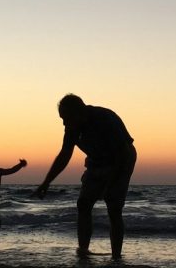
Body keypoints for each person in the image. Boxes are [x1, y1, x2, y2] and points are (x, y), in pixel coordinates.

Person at [33, 94, 136, 260]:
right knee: (83, 204)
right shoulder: (72, 127)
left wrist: (111, 183)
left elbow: (122, 153)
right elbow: (65, 154)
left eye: (67, 118)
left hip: (122, 159)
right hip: (96, 161)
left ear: (80, 112)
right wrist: (46, 182)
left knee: (114, 207)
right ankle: (83, 251)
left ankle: (116, 257)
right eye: (62, 119)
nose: (65, 123)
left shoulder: (105, 118)